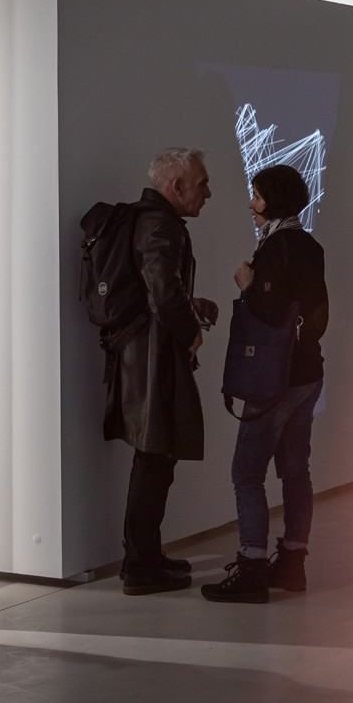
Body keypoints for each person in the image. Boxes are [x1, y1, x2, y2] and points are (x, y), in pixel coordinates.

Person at [203, 165, 330, 604]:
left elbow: (270, 311)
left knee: (246, 472)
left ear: (274, 200)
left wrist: (247, 285)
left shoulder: (278, 246)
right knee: (295, 469)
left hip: (274, 377)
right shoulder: (310, 245)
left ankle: (252, 566)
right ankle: (292, 563)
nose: (251, 204)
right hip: (307, 372)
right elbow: (315, 314)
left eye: (257, 196)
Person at [102, 147, 217, 595]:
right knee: (154, 457)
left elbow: (161, 289)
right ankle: (140, 566)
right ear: (177, 186)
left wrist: (191, 308)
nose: (208, 193)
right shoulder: (159, 225)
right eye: (202, 183)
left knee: (156, 458)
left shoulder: (151, 221)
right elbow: (163, 290)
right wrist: (190, 331)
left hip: (145, 353)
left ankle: (146, 556)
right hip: (151, 358)